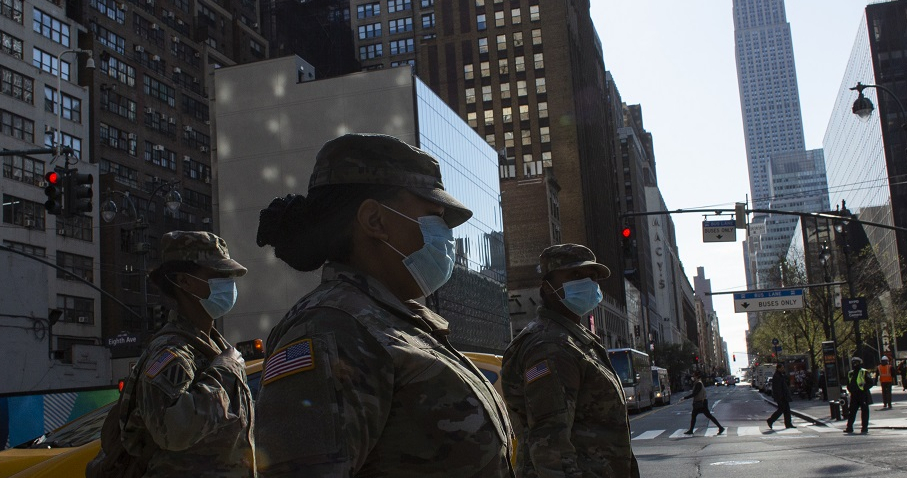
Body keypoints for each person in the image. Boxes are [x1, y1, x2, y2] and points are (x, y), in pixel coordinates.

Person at [253, 133, 513, 477]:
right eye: (433, 218)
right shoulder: (331, 331)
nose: (445, 238)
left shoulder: (396, 322)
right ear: (375, 220)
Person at [87, 231, 256, 476]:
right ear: (183, 281)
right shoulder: (171, 353)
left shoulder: (213, 347)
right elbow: (173, 430)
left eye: (229, 276)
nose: (228, 284)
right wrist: (225, 373)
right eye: (218, 275)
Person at [502, 244, 641, 476]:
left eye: (592, 276)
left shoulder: (574, 339)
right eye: (575, 275)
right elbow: (551, 446)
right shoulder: (550, 346)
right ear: (547, 288)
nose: (588, 282)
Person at [685, 372, 725, 437]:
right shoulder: (698, 383)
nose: (692, 377)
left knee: (706, 415)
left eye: (693, 376)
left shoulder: (698, 383)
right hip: (700, 402)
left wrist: (685, 397)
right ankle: (691, 430)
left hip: (701, 403)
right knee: (695, 416)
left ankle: (720, 427)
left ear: (696, 376)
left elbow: (695, 393)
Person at [844, 357, 872, 434]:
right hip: (854, 395)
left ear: (859, 363)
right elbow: (848, 383)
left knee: (865, 411)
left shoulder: (864, 372)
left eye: (856, 363)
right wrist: (850, 390)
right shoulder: (850, 373)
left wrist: (864, 388)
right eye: (853, 363)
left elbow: (870, 382)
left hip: (862, 394)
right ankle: (849, 427)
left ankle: (864, 427)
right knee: (852, 411)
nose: (854, 364)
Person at [765, 363, 794, 429]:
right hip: (781, 397)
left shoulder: (781, 375)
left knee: (787, 411)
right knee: (781, 410)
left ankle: (788, 424)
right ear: (778, 368)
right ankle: (770, 420)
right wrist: (779, 397)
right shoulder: (777, 376)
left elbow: (786, 382)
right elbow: (777, 388)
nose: (783, 369)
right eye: (782, 368)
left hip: (784, 396)